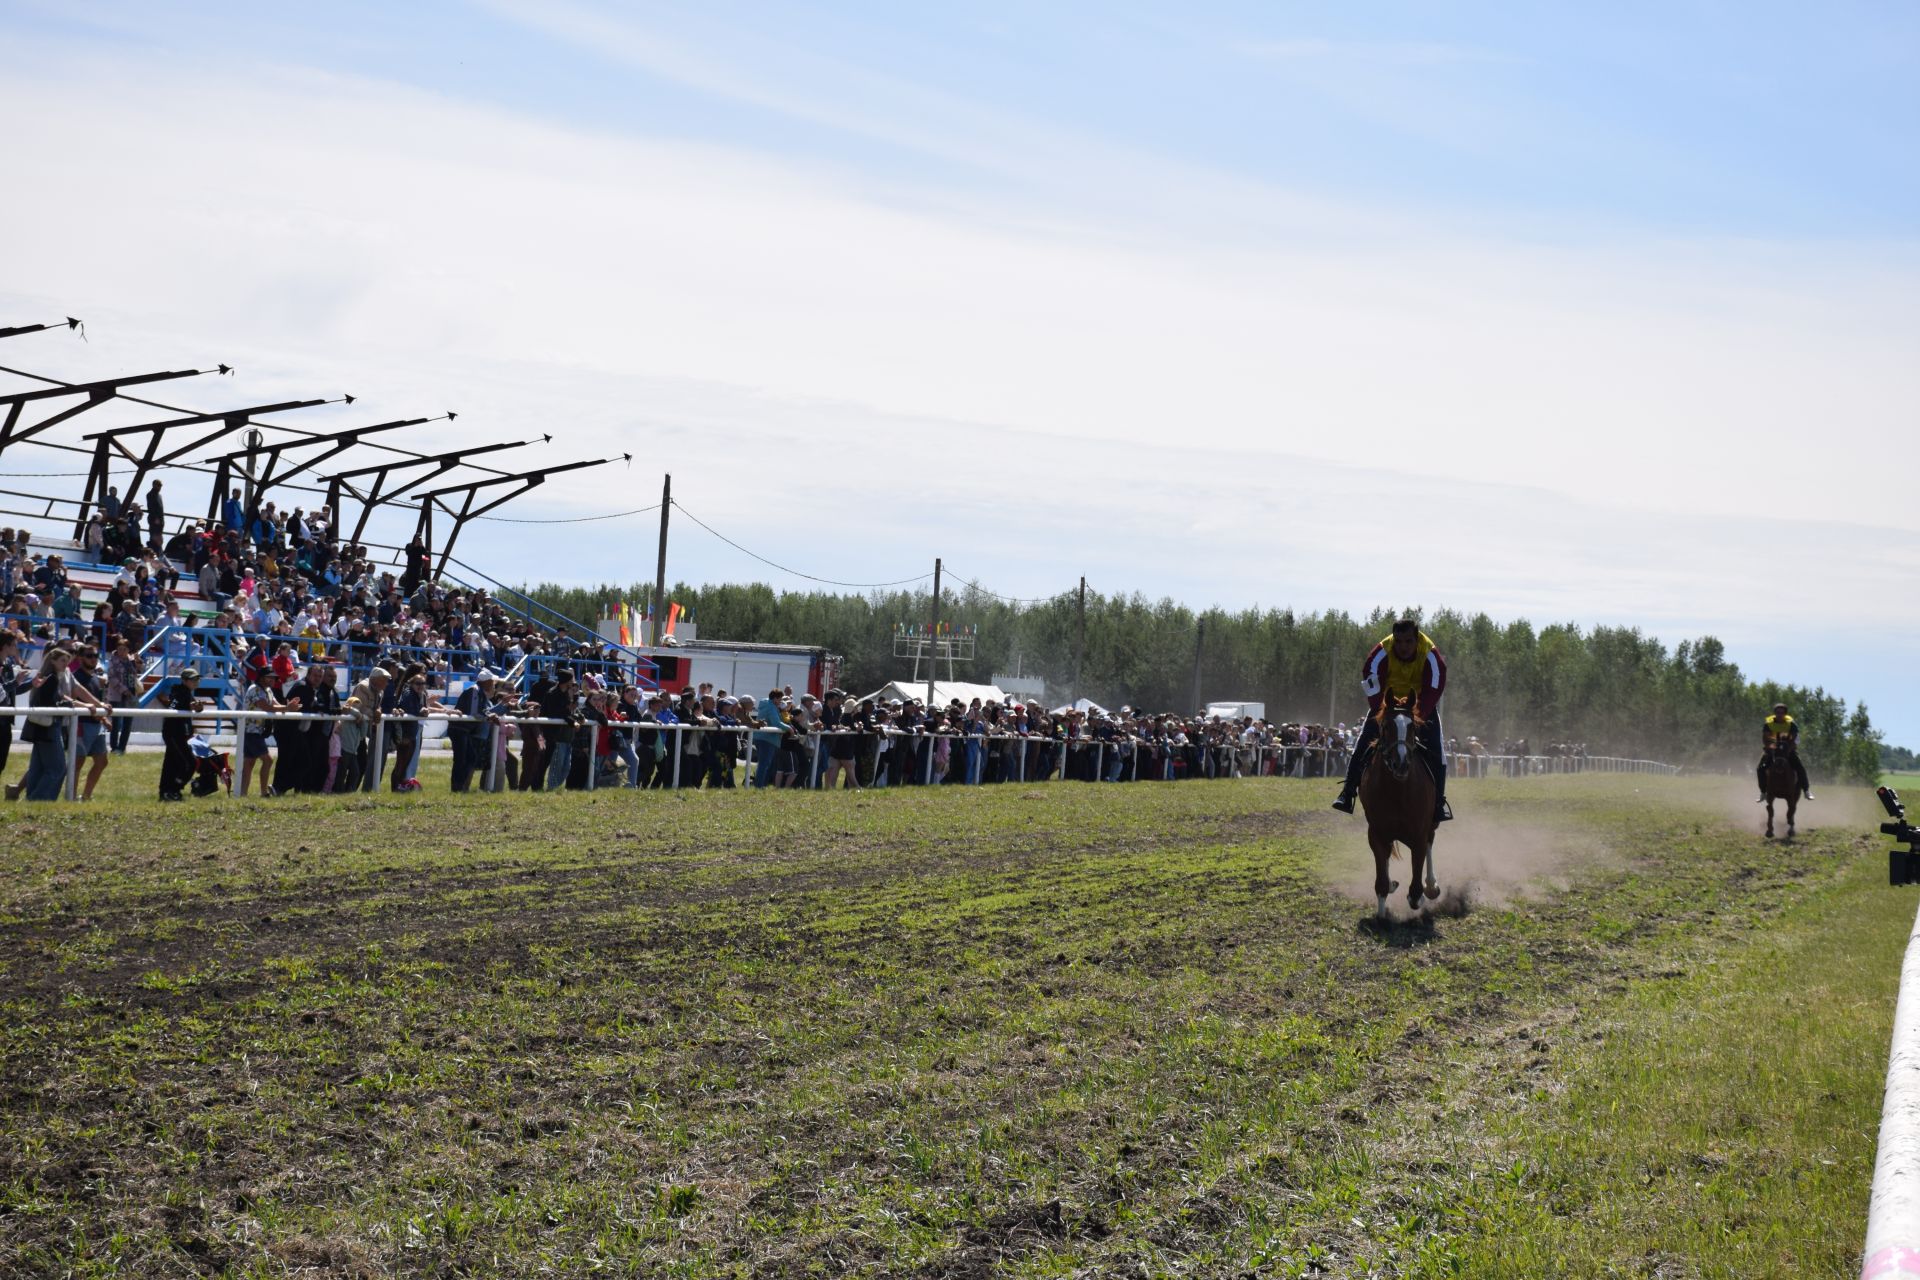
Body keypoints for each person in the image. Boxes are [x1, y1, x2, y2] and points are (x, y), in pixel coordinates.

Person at [1331, 618, 1452, 823]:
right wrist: (1383, 712)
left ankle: (1438, 803)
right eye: (1398, 641)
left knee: (1438, 753)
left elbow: (1433, 689)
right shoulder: (1380, 653)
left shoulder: (1432, 656)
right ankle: (1348, 792)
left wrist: (1416, 716)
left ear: (1417, 639)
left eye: (1408, 641)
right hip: (1386, 706)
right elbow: (1371, 680)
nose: (1403, 646)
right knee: (1362, 744)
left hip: (1420, 708)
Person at [18, 646, 75, 801]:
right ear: (53, 661)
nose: (65, 664)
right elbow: (48, 703)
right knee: (58, 768)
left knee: (38, 768)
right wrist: (64, 705)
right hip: (49, 727)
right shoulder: (52, 679)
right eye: (62, 660)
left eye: (67, 661)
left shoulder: (47, 677)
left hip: (39, 727)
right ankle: (40, 799)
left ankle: (32, 799)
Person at [159, 667, 206, 801]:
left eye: (197, 679)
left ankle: (165, 792)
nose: (196, 681)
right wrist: (194, 706)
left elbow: (192, 706)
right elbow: (183, 704)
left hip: (176, 732)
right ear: (184, 681)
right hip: (174, 733)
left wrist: (198, 707)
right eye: (193, 679)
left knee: (171, 763)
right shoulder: (180, 692)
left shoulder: (185, 692)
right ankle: (174, 788)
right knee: (189, 763)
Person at [1758, 701, 1814, 802]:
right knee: (1760, 769)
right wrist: (1771, 748)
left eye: (1782, 712)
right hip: (1772, 749)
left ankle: (1806, 791)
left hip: (1787, 750)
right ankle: (1763, 792)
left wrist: (1788, 750)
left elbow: (1795, 739)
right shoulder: (1768, 725)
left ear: (1785, 714)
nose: (1779, 714)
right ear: (1775, 713)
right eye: (1777, 712)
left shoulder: (1792, 725)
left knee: (1800, 767)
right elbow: (1765, 739)